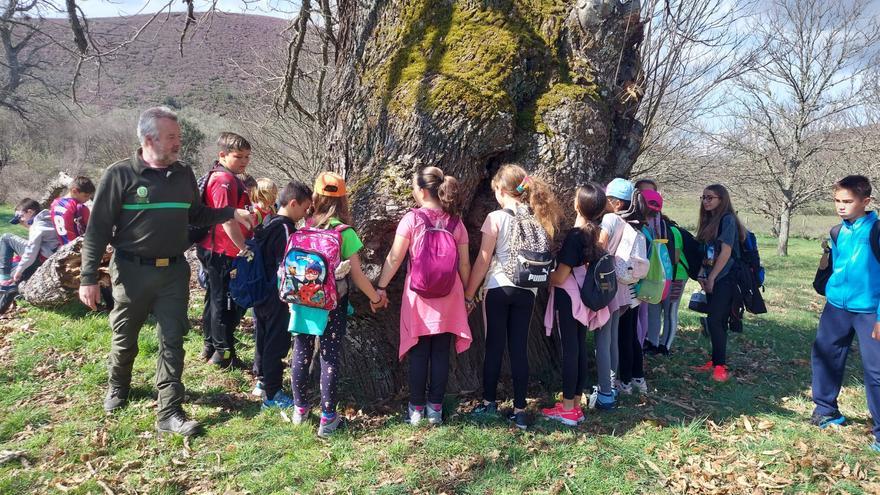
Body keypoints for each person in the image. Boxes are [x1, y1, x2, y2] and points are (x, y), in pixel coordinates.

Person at [79, 106, 252, 437]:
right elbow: (97, 230)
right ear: (149, 139)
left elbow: (197, 214)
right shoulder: (120, 175)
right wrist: (88, 278)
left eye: (178, 136)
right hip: (131, 272)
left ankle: (169, 411)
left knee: (173, 339)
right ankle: (119, 385)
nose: (178, 143)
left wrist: (232, 212)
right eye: (172, 137)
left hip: (173, 271)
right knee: (125, 335)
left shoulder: (184, 173)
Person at [463, 164, 561, 430]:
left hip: (499, 286)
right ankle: (519, 409)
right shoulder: (539, 217)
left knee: (494, 346)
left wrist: (469, 293)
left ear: (500, 190)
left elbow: (483, 260)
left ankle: (488, 403)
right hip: (527, 290)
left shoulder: (496, 218)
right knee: (519, 348)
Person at [289, 171, 386, 437]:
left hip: (300, 301)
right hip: (331, 304)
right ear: (343, 199)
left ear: (316, 196)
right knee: (329, 356)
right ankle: (328, 419)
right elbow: (357, 275)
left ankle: (300, 410)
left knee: (301, 352)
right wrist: (376, 297)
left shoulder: (304, 225)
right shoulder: (344, 232)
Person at [375, 167, 472, 426]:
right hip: (449, 296)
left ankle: (416, 409)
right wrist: (468, 293)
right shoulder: (456, 223)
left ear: (420, 190)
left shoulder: (412, 219)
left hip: (418, 297)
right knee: (441, 353)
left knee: (418, 353)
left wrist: (381, 286)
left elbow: (395, 257)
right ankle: (435, 410)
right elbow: (464, 264)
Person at [810, 175, 880, 453]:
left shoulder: (876, 231)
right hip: (837, 307)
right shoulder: (837, 232)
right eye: (837, 201)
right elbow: (836, 268)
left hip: (870, 311)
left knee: (876, 372)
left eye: (848, 202)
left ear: (866, 202)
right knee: (824, 355)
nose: (841, 206)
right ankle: (826, 411)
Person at [542, 183, 611, 425]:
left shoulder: (575, 236)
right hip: (585, 298)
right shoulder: (596, 233)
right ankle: (576, 404)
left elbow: (560, 276)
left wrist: (541, 277)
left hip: (568, 297)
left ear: (577, 204)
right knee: (579, 347)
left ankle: (568, 409)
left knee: (570, 350)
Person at [251, 181, 313, 411]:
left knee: (263, 336)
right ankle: (272, 393)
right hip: (277, 294)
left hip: (261, 291)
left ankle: (262, 381)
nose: (306, 214)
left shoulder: (268, 221)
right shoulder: (286, 228)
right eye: (305, 208)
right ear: (293, 203)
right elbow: (289, 264)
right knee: (276, 342)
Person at [197, 132, 253, 369]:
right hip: (221, 249)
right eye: (238, 156)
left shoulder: (230, 177)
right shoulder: (223, 180)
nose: (244, 161)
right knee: (223, 301)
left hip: (218, 248)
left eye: (247, 157)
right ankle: (223, 354)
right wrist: (245, 249)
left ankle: (210, 346)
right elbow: (226, 219)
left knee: (214, 297)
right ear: (222, 155)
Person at [693, 184, 745, 382]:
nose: (706, 201)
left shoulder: (728, 219)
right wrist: (702, 273)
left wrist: (713, 277)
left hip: (727, 278)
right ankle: (714, 361)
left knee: (716, 320)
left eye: (710, 197)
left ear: (721, 200)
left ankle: (720, 366)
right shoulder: (709, 220)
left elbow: (726, 252)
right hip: (712, 275)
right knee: (713, 319)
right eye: (704, 197)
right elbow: (708, 252)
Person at [604, 178, 649, 395]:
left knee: (622, 336)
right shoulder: (638, 225)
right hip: (633, 285)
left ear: (617, 203)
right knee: (631, 335)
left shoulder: (613, 221)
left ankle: (624, 381)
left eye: (607, 199)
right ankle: (637, 378)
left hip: (620, 287)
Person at [642, 190, 687, 356]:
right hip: (659, 276)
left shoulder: (673, 232)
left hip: (676, 276)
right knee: (655, 309)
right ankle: (653, 344)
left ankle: (664, 346)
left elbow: (675, 259)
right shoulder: (657, 229)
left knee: (669, 311)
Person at [248, 177, 279, 394]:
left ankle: (263, 375)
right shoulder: (257, 214)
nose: (274, 196)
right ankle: (260, 377)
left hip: (269, 277)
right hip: (260, 275)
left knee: (266, 328)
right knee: (261, 328)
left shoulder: (273, 211)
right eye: (271, 192)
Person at [0, 198, 60, 288]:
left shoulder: (37, 226)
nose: (21, 222)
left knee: (6, 238)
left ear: (30, 212)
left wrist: (19, 270)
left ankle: (4, 277)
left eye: (21, 217)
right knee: (13, 277)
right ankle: (8, 288)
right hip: (46, 258)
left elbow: (31, 251)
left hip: (40, 257)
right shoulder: (50, 220)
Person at [50, 176, 95, 245]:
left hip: (62, 249)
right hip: (78, 248)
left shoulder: (54, 204)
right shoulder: (80, 208)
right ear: (74, 191)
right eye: (86, 196)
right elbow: (91, 230)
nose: (88, 199)